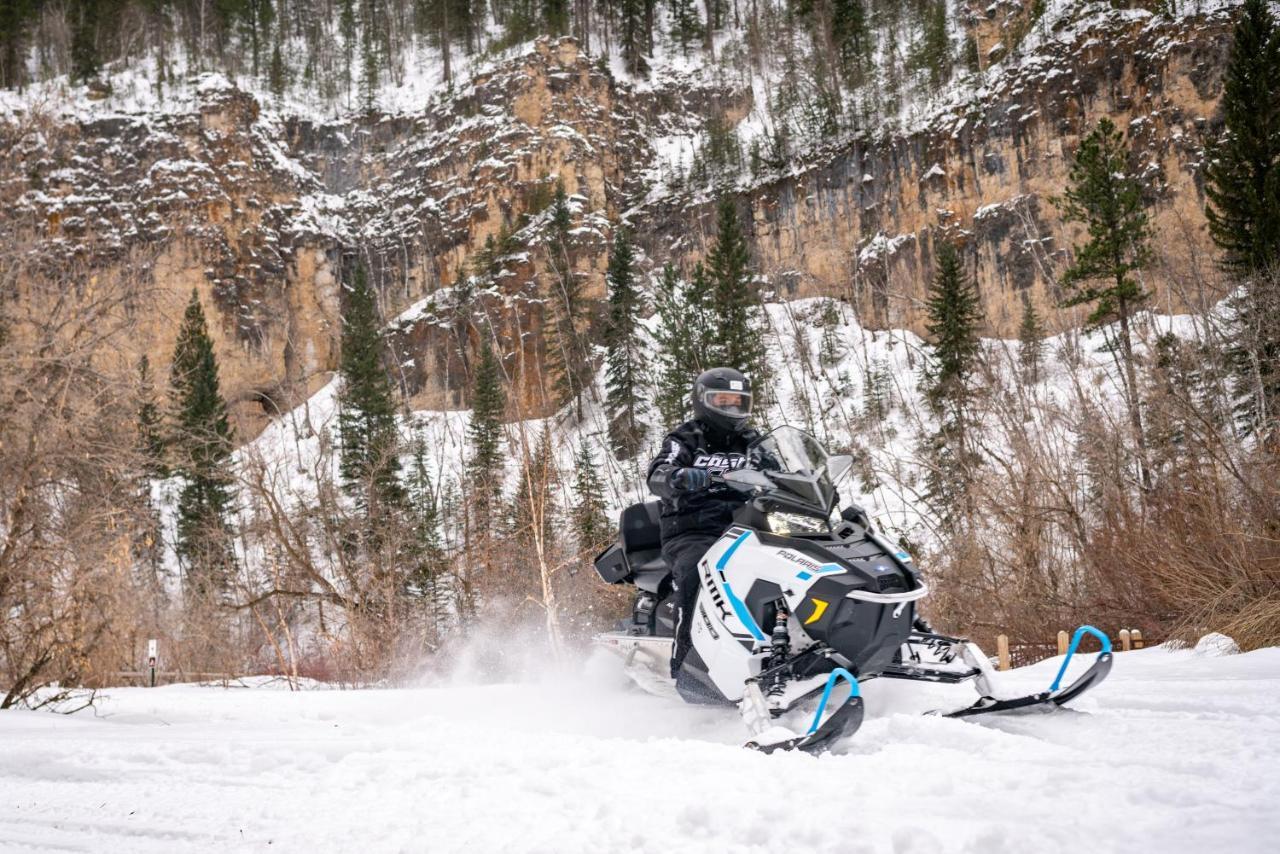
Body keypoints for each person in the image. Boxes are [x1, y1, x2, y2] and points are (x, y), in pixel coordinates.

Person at [647, 367, 760, 685]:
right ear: (702, 401)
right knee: (699, 569)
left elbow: (782, 469)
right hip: (692, 529)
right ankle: (685, 667)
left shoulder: (753, 441)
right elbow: (659, 470)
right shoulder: (684, 437)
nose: (731, 409)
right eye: (722, 401)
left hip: (747, 527)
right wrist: (677, 476)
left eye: (738, 402)